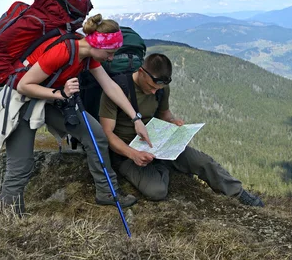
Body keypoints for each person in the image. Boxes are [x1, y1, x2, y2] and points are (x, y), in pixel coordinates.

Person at [0, 14, 152, 216]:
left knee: (96, 135)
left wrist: (136, 119)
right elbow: (24, 86)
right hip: (23, 102)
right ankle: (10, 217)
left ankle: (107, 193)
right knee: (21, 165)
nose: (112, 58)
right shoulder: (63, 52)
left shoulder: (87, 56)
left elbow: (111, 87)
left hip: (52, 99)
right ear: (97, 46)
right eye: (110, 53)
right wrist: (61, 94)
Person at [98, 53, 264, 207]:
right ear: (141, 72)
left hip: (158, 143)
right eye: (151, 86)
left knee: (203, 162)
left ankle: (238, 192)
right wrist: (133, 154)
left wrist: (172, 121)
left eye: (158, 89)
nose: (154, 91)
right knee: (157, 191)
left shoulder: (161, 88)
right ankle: (167, 168)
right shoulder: (117, 90)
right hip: (128, 153)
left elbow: (164, 113)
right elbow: (107, 134)